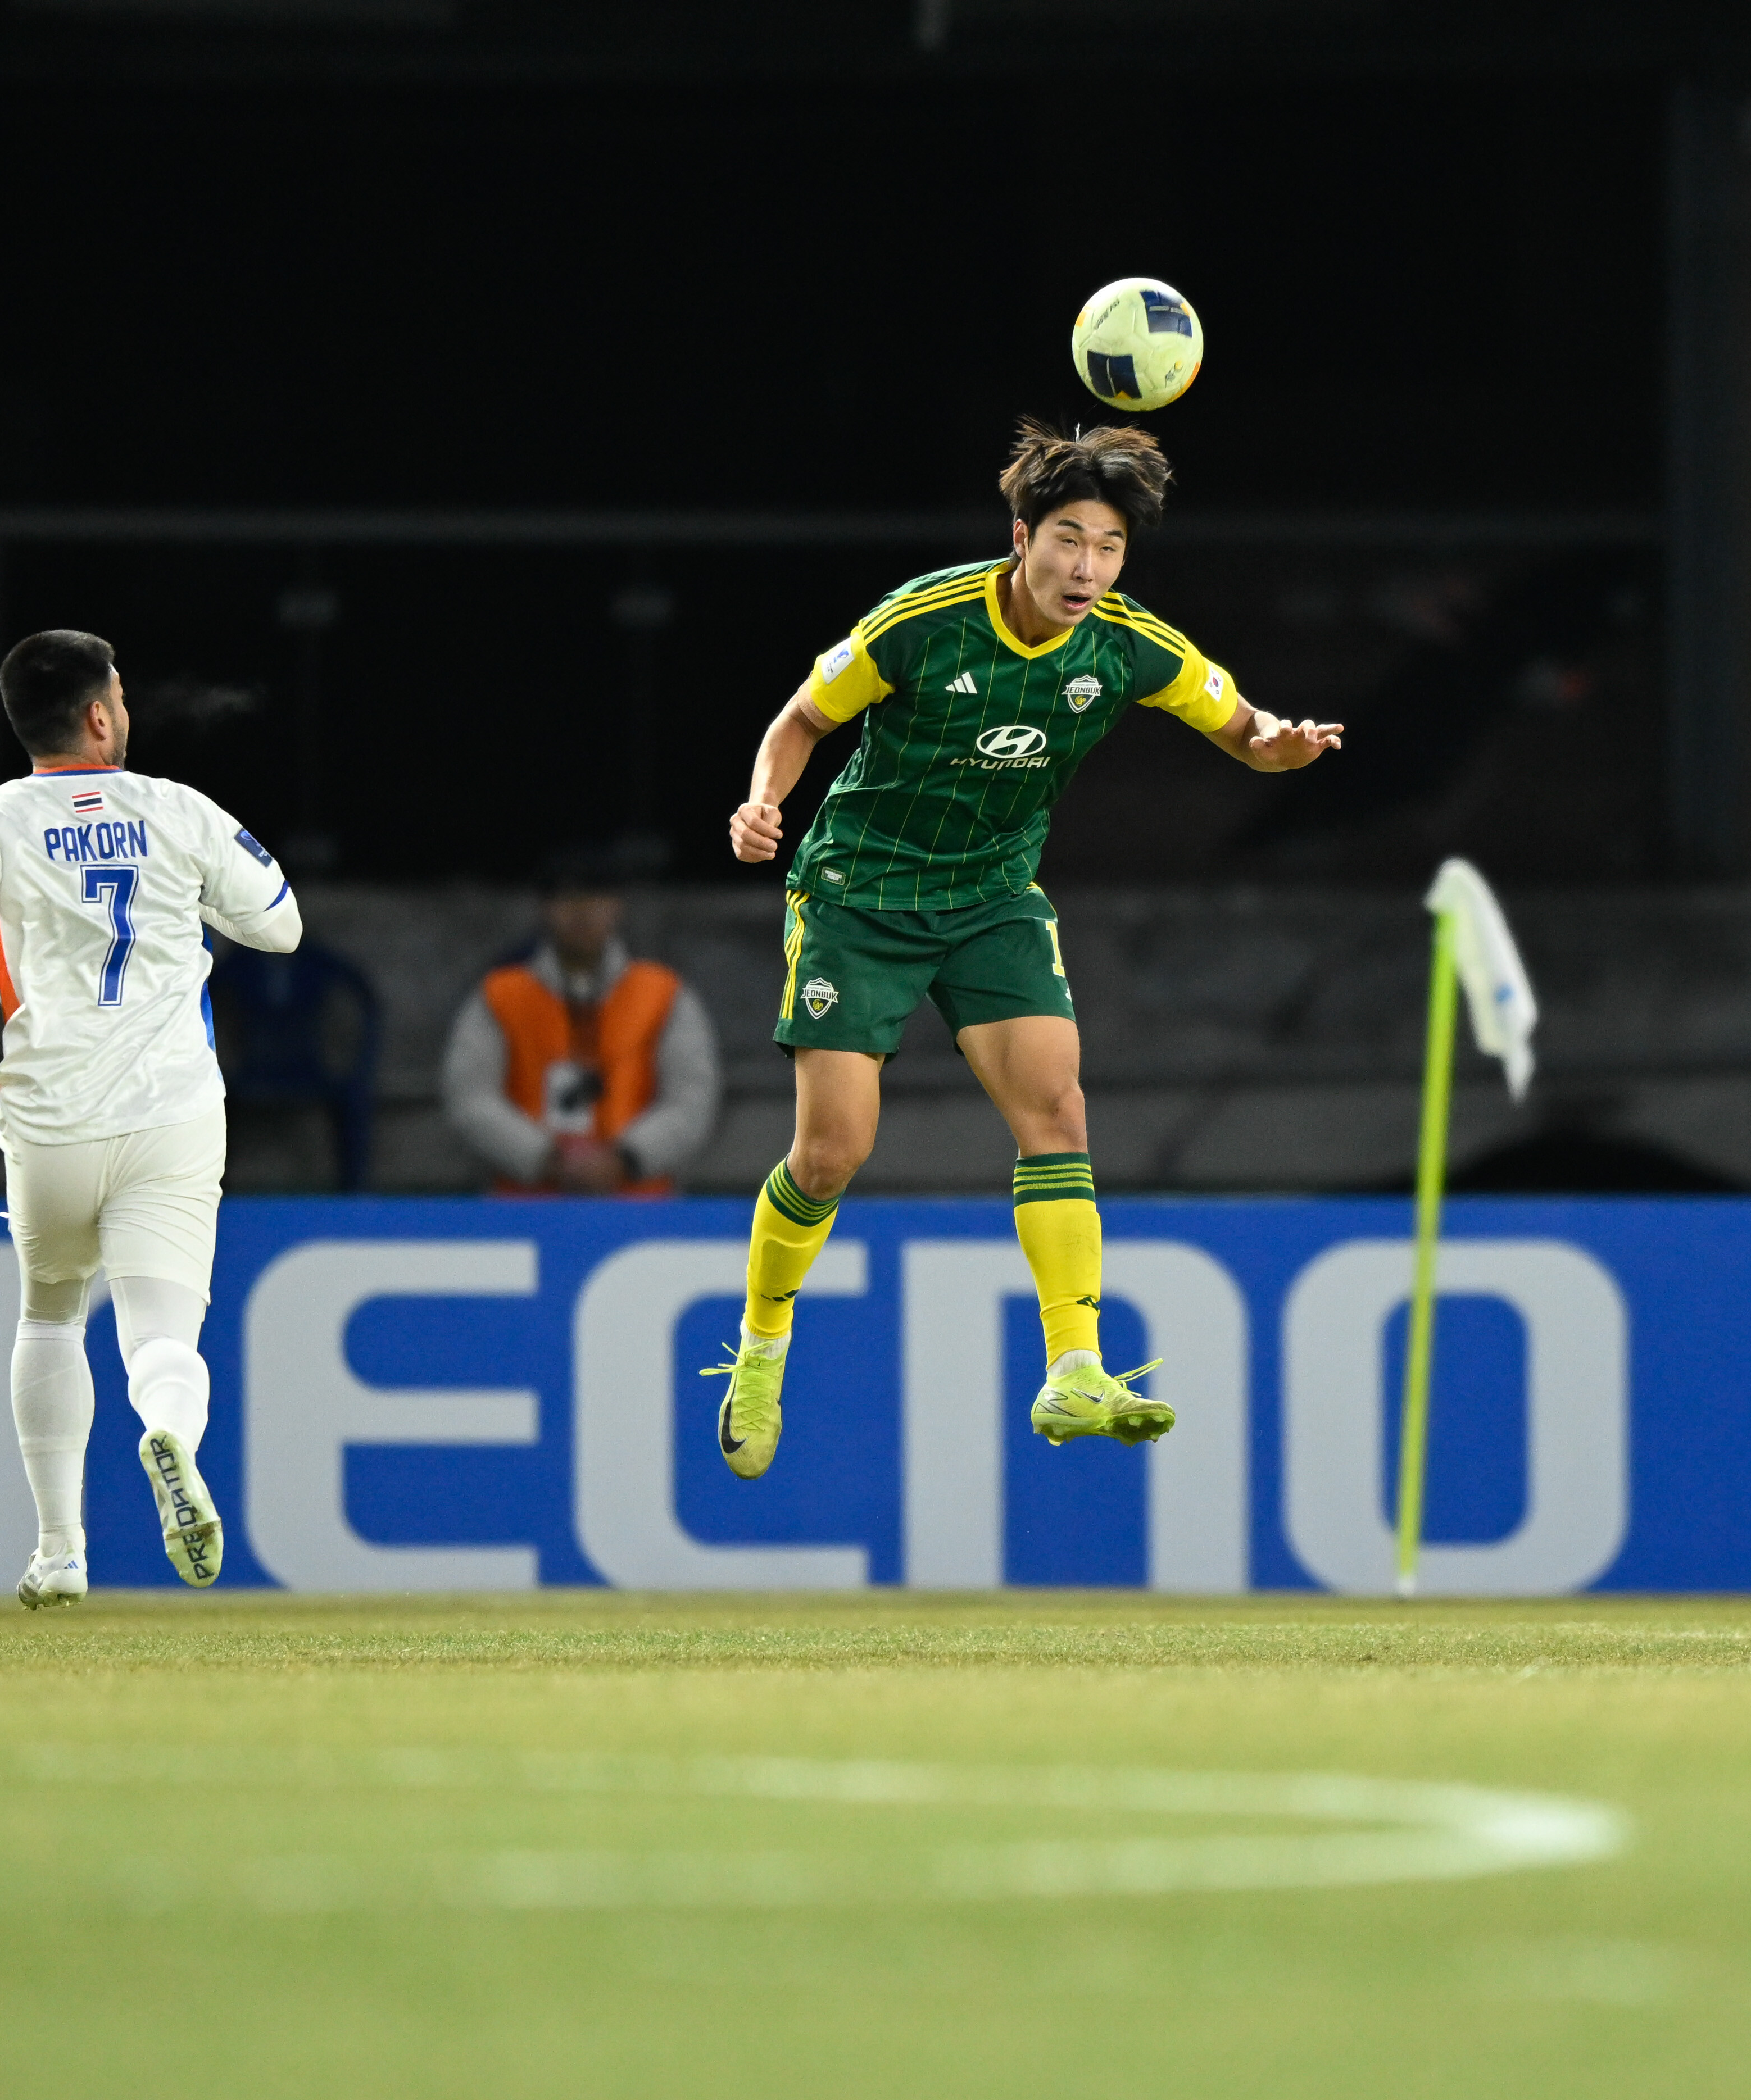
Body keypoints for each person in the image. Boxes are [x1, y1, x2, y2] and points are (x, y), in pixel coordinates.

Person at [708, 419, 1342, 1479]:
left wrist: (1282, 749)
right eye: (1069, 540)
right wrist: (761, 801)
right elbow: (802, 719)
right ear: (1022, 537)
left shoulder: (1131, 645)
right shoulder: (923, 620)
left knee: (1057, 1110)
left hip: (991, 897)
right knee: (832, 1152)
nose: (1087, 568)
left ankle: (1074, 1368)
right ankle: (763, 1347)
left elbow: (1244, 729)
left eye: (1109, 548)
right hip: (860, 894)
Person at [0, 629, 302, 1609]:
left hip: (51, 1119)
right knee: (162, 1334)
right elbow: (282, 924)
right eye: (122, 697)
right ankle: (168, 1430)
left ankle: (60, 1549)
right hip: (171, 1111)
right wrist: (194, 904)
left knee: (51, 1314)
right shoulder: (176, 808)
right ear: (99, 715)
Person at [441, 854, 719, 1194]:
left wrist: (625, 1159)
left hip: (642, 1209)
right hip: (524, 1207)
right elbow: (471, 1098)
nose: (582, 911)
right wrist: (545, 1158)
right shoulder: (499, 996)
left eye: (596, 897)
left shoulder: (665, 995)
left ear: (617, 906)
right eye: (566, 898)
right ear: (544, 909)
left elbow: (692, 1100)